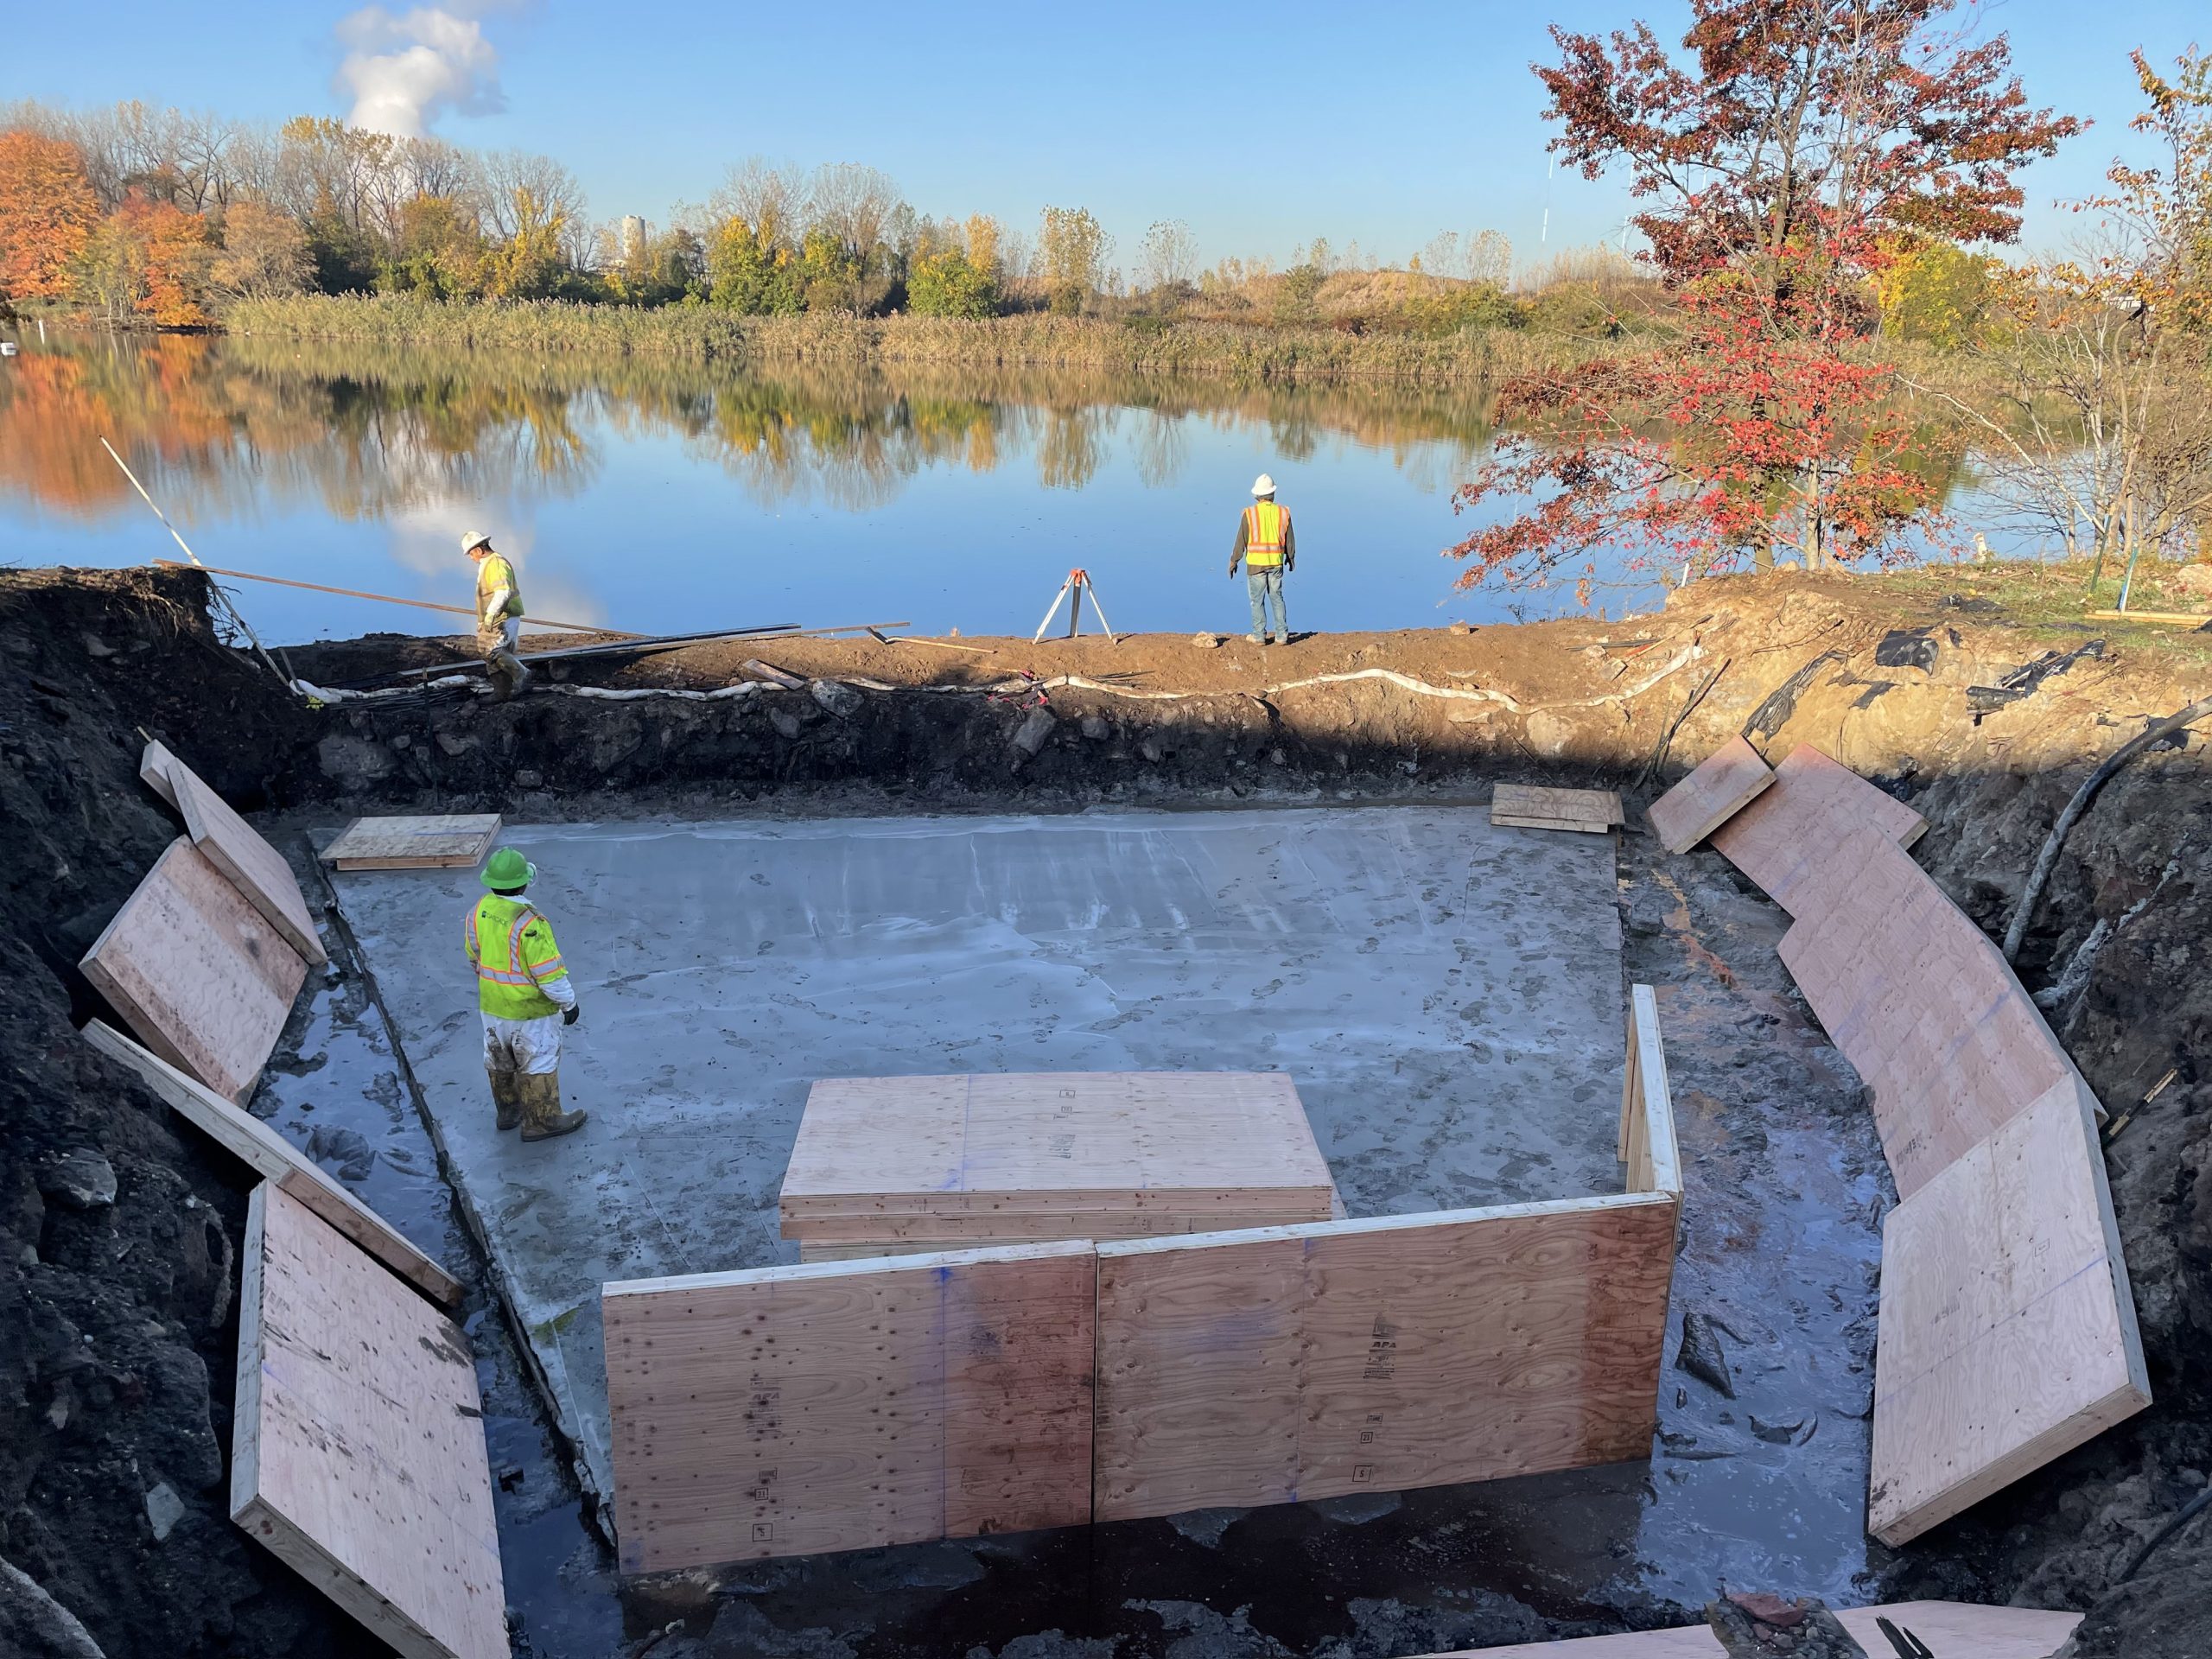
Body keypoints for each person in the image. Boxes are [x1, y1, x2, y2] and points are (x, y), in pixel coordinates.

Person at [464, 847, 588, 1141]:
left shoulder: (478, 910)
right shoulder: (531, 924)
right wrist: (569, 1003)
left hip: (492, 1006)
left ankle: (508, 1112)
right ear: (524, 883)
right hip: (531, 1012)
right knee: (538, 1061)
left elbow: (473, 953)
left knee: (499, 1058)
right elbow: (549, 974)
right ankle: (541, 1121)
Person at [462, 531, 533, 699]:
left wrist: (490, 614)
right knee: (490, 652)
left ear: (479, 550)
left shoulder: (495, 563)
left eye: (471, 554)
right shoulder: (488, 564)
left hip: (502, 616)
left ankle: (521, 674)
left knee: (491, 650)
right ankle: (502, 692)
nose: (471, 558)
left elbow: (503, 592)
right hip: (495, 616)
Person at [1229, 474, 1295, 645]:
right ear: (1273, 494)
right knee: (1277, 598)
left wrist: (1234, 560)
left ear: (1257, 495)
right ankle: (1281, 635)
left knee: (1257, 601)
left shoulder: (1250, 514)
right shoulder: (1283, 512)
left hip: (1256, 565)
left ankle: (1259, 636)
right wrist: (1291, 557)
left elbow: (1241, 540)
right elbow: (1289, 539)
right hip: (1276, 562)